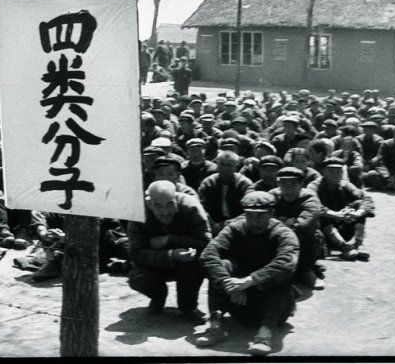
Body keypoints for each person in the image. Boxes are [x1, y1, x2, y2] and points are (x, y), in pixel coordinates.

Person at [195, 191, 299, 356]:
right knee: (221, 267)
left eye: (260, 216)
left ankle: (265, 335)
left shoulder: (284, 234)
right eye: (250, 216)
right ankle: (215, 326)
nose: (254, 221)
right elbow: (208, 255)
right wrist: (227, 282)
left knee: (281, 276)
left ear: (271, 213)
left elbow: (286, 263)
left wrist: (250, 281)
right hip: (239, 301)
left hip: (273, 306)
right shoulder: (234, 228)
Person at [127, 181, 211, 323]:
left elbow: (206, 243)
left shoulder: (191, 207)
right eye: (158, 206)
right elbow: (136, 253)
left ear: (176, 200)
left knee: (196, 265)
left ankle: (188, 306)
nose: (165, 212)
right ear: (149, 204)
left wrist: (171, 239)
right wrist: (171, 255)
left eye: (170, 204)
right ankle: (158, 297)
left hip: (186, 263)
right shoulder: (138, 214)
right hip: (154, 264)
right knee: (138, 277)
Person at [308, 157, 375, 261]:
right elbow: (312, 203)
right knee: (320, 214)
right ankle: (344, 246)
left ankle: (357, 244)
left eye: (338, 171)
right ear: (323, 171)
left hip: (342, 227)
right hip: (324, 233)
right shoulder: (314, 185)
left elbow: (366, 198)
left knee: (359, 204)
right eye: (331, 171)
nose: (335, 174)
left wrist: (357, 213)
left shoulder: (345, 184)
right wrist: (334, 214)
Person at [270, 167, 323, 290]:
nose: (288, 189)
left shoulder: (310, 198)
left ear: (301, 184)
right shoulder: (271, 196)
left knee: (314, 235)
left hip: (299, 240)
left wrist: (278, 226)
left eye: (293, 184)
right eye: (284, 184)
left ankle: (306, 270)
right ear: (278, 184)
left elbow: (304, 224)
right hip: (275, 238)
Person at [198, 150, 254, 236]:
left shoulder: (244, 184)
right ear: (217, 166)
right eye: (222, 164)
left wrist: (227, 225)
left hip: (239, 225)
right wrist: (212, 224)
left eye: (229, 165)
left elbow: (249, 210)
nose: (225, 169)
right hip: (213, 225)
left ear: (235, 167)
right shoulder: (208, 183)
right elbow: (202, 208)